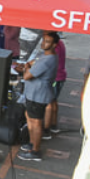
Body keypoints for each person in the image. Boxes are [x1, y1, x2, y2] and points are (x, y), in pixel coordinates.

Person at [19, 32, 59, 162]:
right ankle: (32, 143)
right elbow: (30, 64)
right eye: (43, 40)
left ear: (54, 45)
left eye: (47, 42)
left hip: (38, 96)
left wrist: (26, 68)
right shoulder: (43, 55)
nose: (43, 43)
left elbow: (27, 75)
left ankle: (35, 150)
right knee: (29, 118)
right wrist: (28, 67)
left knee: (35, 122)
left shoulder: (47, 61)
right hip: (33, 94)